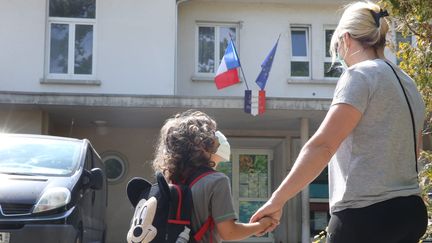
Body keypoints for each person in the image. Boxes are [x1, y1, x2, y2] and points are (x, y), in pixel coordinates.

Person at [250, 2, 427, 242]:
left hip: (366, 214)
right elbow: (413, 152)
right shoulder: (409, 84)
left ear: (345, 38)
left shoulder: (359, 75)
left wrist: (277, 200)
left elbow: (323, 146)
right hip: (410, 211)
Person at [152, 110, 277, 242]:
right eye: (213, 138)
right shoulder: (217, 181)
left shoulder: (172, 181)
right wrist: (261, 225)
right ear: (203, 145)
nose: (216, 141)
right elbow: (229, 232)